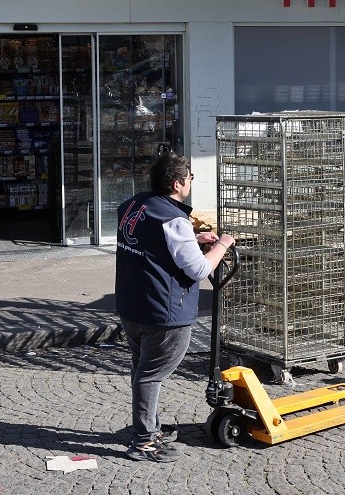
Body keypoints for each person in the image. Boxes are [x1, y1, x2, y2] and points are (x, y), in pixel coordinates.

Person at [115, 147, 236, 462]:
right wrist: (222, 244)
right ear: (178, 184)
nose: (191, 181)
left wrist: (195, 242)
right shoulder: (175, 220)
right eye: (190, 177)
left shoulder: (133, 206)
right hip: (164, 311)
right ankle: (144, 442)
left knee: (142, 368)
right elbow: (197, 269)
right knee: (150, 374)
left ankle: (149, 428)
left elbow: (154, 247)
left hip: (132, 305)